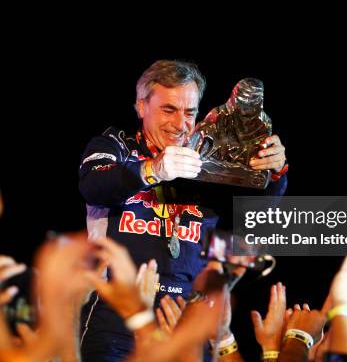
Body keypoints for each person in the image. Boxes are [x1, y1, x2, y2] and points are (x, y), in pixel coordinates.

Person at [78, 60, 288, 360]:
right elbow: (94, 186)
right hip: (117, 319)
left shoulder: (209, 156)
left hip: (187, 319)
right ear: (141, 106)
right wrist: (152, 170)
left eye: (190, 113)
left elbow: (255, 215)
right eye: (168, 110)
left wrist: (274, 171)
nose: (180, 125)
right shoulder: (116, 146)